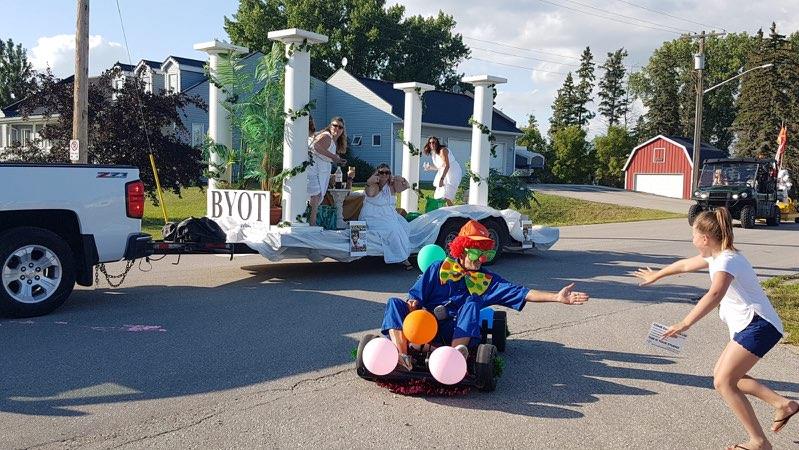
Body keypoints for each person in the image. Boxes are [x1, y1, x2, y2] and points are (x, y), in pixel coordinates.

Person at [634, 208, 796, 450]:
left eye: (693, 235)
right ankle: (782, 404)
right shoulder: (717, 257)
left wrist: (684, 323)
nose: (691, 240)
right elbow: (685, 265)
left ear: (705, 239)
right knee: (728, 378)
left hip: (759, 326)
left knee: (723, 381)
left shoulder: (727, 261)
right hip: (754, 326)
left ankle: (759, 442)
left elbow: (715, 293)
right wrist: (657, 274)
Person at [382, 220, 589, 370]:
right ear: (461, 251)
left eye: (485, 253)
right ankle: (402, 355)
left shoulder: (487, 280)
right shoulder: (438, 269)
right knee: (394, 303)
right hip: (426, 326)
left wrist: (557, 297)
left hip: (457, 330)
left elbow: (521, 292)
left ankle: (454, 356)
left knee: (472, 302)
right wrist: (413, 303)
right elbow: (415, 296)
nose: (481, 258)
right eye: (476, 253)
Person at [359, 163, 413, 270]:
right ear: (377, 173)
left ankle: (401, 253)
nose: (384, 175)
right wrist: (371, 180)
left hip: (389, 214)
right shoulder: (373, 186)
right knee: (393, 230)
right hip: (373, 215)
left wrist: (400, 178)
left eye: (387, 172)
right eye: (381, 172)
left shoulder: (391, 186)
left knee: (405, 226)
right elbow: (370, 194)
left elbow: (407, 186)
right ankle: (402, 258)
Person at [306, 117, 347, 226]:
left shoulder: (331, 139)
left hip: (319, 170)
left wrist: (335, 159)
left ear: (343, 130)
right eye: (334, 125)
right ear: (330, 126)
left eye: (340, 127)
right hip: (313, 169)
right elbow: (316, 147)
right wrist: (334, 157)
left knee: (316, 197)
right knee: (316, 196)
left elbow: (321, 152)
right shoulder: (327, 136)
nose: (337, 128)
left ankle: (310, 223)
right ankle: (311, 224)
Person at [422, 136, 462, 206]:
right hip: (444, 172)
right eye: (430, 143)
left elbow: (447, 165)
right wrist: (429, 167)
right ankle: (447, 212)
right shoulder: (434, 154)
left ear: (437, 143)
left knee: (446, 196)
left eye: (433, 142)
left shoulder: (443, 150)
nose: (432, 144)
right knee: (441, 196)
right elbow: (439, 167)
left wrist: (441, 179)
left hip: (453, 172)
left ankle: (454, 213)